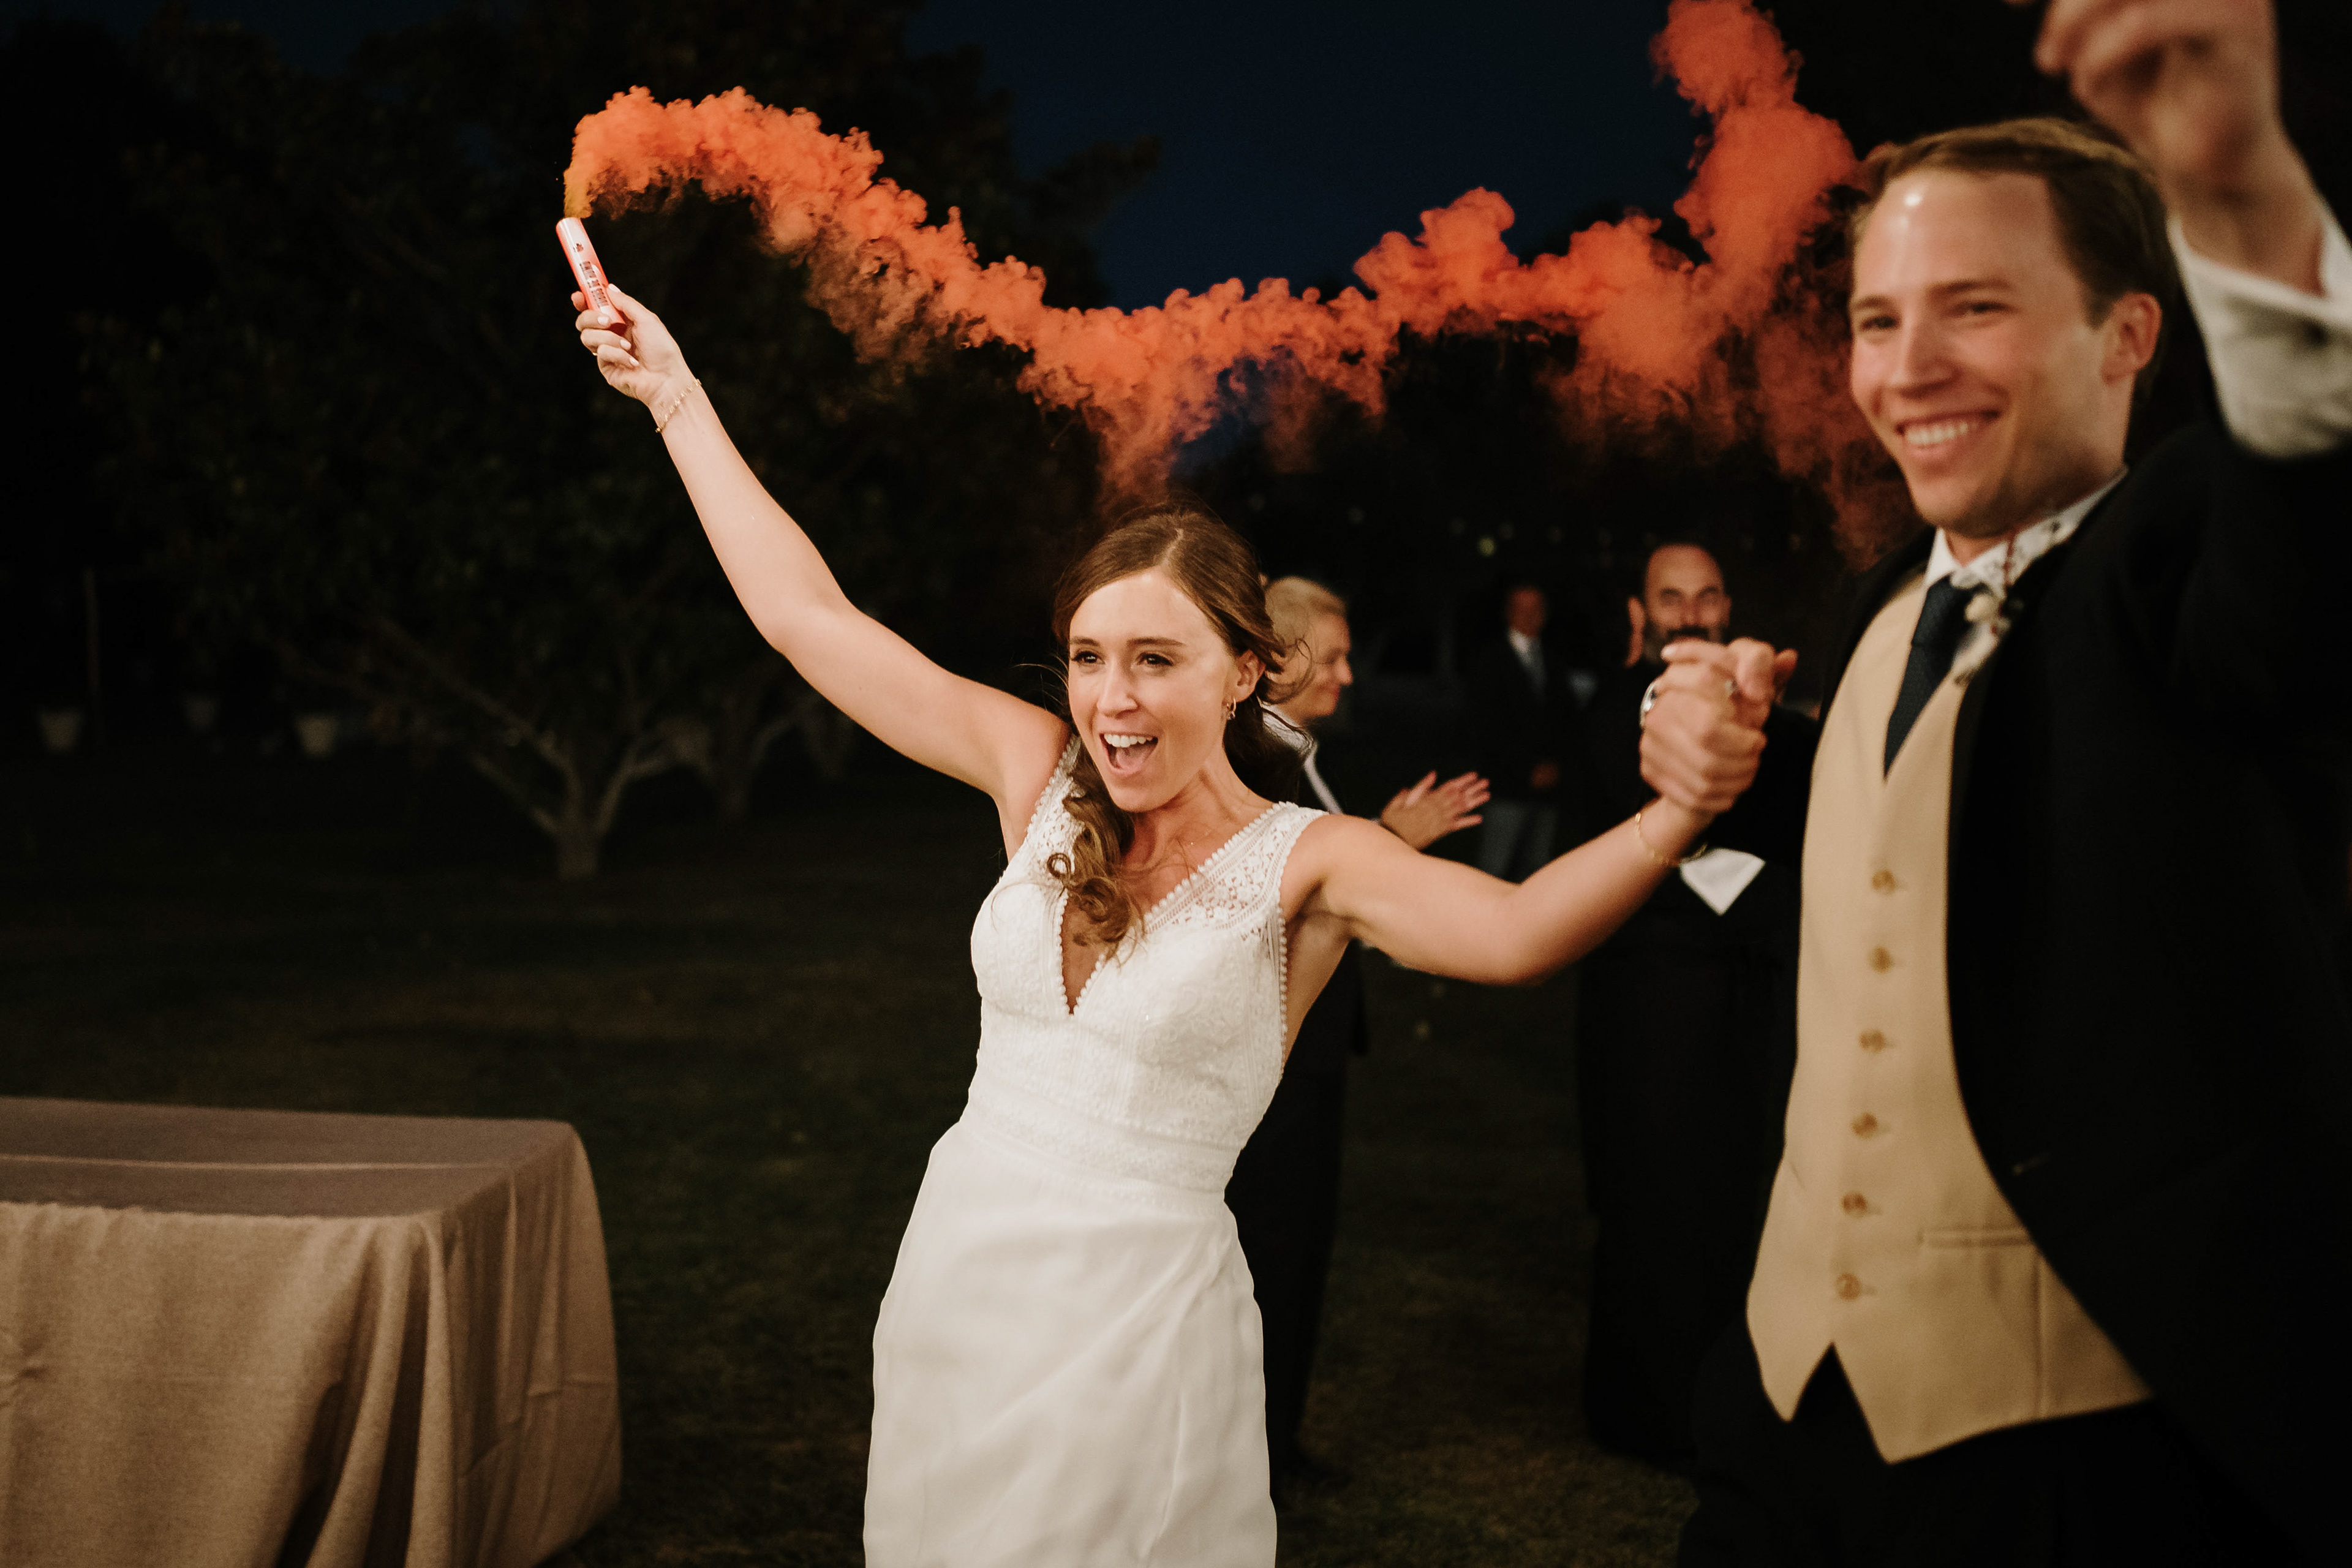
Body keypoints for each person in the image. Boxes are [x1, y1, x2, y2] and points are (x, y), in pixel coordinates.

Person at [571, 297, 1776, 1566]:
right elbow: (807, 618)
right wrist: (676, 398)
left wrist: (1680, 809)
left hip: (1139, 1324)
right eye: (1090, 656)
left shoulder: (1313, 861)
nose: (1112, 698)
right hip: (958, 1279)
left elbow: (1519, 930)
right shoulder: (1037, 774)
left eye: (1155, 658)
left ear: (1244, 670)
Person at [1641, 1, 2352, 1559]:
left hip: (2073, 1461)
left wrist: (2249, 198)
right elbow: (1934, 835)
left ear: (2127, 334)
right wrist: (1713, 753)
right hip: (1774, 1420)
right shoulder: (1875, 606)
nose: (1909, 369)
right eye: (1876, 319)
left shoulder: (2179, 575)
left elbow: (2303, 499)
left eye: (1972, 308)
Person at [1225, 575, 1488, 1506]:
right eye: (1331, 658)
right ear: (1276, 659)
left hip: (1311, 1052)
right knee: (1269, 1255)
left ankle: (1277, 1443)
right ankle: (1252, 1458)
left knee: (1300, 1252)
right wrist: (1389, 840)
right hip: (1274, 1057)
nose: (1347, 675)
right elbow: (1270, 898)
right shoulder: (1253, 763)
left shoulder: (1298, 756)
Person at [1572, 541, 1816, 1470]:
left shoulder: (1755, 714)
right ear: (1641, 615)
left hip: (1744, 995)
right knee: (1654, 1195)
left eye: (1706, 595)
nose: (1691, 612)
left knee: (1731, 1196)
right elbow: (1647, 840)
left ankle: (1723, 1395)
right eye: (1671, 597)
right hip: (1650, 1001)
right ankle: (1645, 1410)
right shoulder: (1613, 710)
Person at [1465, 583, 1578, 880]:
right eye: (1522, 609)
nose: (1530, 616)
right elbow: (1486, 728)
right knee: (1494, 869)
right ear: (1508, 613)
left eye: (1536, 609)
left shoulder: (1553, 660)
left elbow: (1565, 720)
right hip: (1507, 787)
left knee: (1538, 870)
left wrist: (1557, 766)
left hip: (1549, 789)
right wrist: (1525, 770)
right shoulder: (1490, 661)